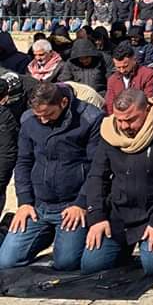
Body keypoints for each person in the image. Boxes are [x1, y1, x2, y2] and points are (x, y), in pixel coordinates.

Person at [82, 89, 153, 276]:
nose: (124, 126)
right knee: (92, 265)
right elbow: (97, 175)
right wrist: (97, 216)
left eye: (131, 120)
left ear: (147, 110)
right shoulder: (109, 130)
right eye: (120, 120)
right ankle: (121, 250)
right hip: (117, 213)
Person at [0, 82, 102, 271]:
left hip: (72, 205)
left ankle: (69, 234)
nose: (44, 121)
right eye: (39, 116)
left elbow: (98, 168)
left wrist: (81, 203)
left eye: (48, 115)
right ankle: (42, 233)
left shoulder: (90, 118)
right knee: (6, 261)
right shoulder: (29, 120)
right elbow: (23, 162)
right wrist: (24, 202)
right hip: (39, 205)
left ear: (63, 103)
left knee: (66, 262)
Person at [104, 42, 153, 114]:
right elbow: (109, 103)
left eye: (125, 66)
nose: (122, 70)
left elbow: (149, 100)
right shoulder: (112, 80)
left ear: (134, 60)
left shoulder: (148, 75)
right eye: (118, 67)